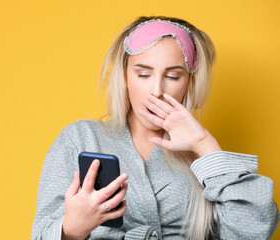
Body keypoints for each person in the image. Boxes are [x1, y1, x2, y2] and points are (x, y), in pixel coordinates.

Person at [31, 16, 280, 240]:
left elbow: (255, 230)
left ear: (189, 83)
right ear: (125, 77)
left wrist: (204, 143)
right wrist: (73, 229)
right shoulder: (80, 138)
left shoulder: (204, 160)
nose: (157, 91)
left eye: (172, 77)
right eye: (143, 74)